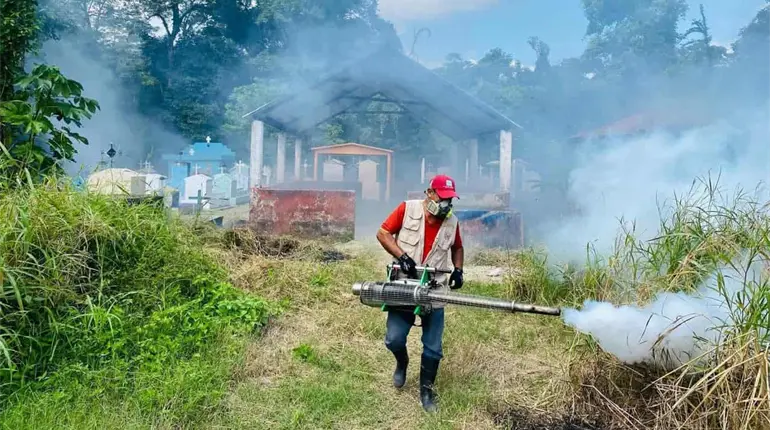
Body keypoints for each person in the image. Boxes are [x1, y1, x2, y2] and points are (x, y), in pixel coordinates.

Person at [375, 174, 464, 413]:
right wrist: (402, 256)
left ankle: (426, 391)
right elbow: (383, 233)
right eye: (442, 198)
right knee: (394, 338)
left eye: (450, 199)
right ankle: (402, 363)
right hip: (404, 285)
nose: (446, 204)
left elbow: (457, 247)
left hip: (434, 288)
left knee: (433, 347)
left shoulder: (452, 221)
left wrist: (458, 269)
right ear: (430, 193)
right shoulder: (407, 209)